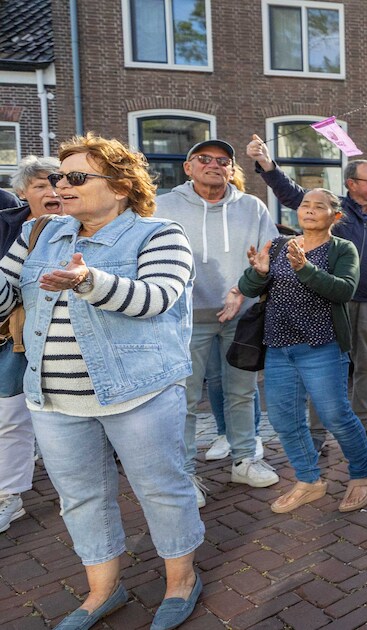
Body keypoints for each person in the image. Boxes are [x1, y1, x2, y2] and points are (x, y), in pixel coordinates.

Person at [0, 134, 203, 630]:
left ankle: (182, 582)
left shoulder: (161, 234)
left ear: (120, 186)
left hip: (140, 394)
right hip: (54, 399)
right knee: (81, 497)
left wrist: (89, 281)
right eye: (57, 177)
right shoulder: (36, 234)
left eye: (76, 177)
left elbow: (156, 297)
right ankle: (102, 591)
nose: (61, 186)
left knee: (160, 489)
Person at [247, 138, 367, 446]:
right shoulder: (330, 210)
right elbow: (294, 194)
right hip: (329, 301)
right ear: (351, 184)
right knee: (324, 369)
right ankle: (319, 433)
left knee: (366, 365)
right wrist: (267, 164)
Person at [239, 188, 367, 514]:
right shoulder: (277, 246)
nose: (310, 210)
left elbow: (344, 290)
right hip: (278, 348)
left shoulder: (342, 249)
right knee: (284, 418)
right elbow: (248, 289)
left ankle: (362, 475)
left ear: (336, 215)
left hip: (322, 347)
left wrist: (305, 268)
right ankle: (308, 480)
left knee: (336, 416)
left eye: (320, 206)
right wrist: (257, 273)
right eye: (305, 205)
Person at [157, 139, 280, 504]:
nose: (215, 165)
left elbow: (267, 258)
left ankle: (244, 460)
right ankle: (185, 474)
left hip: (240, 317)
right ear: (188, 167)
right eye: (204, 159)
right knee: (186, 397)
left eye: (223, 161)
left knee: (242, 392)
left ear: (231, 169)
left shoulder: (252, 207)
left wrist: (243, 291)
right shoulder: (163, 207)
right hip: (185, 318)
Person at [0, 156, 62, 534]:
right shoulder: (8, 226)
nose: (53, 191)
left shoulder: (81, 226)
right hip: (15, 337)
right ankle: (10, 495)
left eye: (57, 183)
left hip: (64, 338)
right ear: (23, 194)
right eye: (41, 185)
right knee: (9, 415)